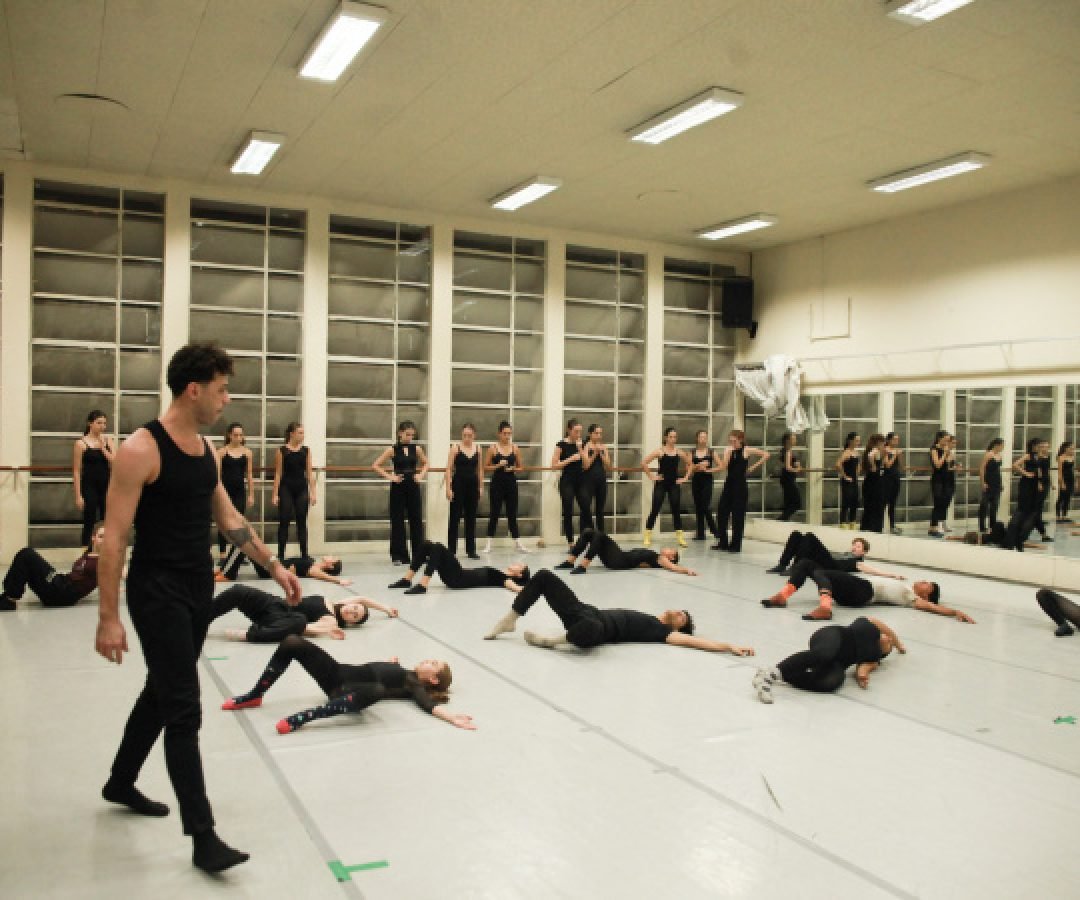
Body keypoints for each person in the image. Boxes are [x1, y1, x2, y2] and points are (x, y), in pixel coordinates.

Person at [95, 342, 303, 874]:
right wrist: (108, 616)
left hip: (195, 587)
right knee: (184, 707)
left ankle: (121, 780)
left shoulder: (206, 451)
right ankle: (203, 835)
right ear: (194, 389)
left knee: (161, 691)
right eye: (221, 389)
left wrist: (274, 566)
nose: (225, 400)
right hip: (155, 590)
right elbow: (114, 539)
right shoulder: (142, 448)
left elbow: (230, 519)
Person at [221, 636, 473, 733]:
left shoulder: (414, 685)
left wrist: (451, 718)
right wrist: (391, 663)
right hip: (336, 674)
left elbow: (427, 704)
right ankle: (255, 695)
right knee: (291, 642)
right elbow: (384, 669)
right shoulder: (403, 670)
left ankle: (304, 718)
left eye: (432, 663)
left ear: (433, 679)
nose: (427, 660)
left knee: (377, 690)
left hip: (349, 693)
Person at [484, 568, 754, 655]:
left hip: (598, 631)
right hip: (585, 612)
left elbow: (693, 641)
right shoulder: (652, 617)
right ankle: (510, 620)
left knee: (593, 629)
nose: (678, 611)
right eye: (682, 611)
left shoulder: (662, 632)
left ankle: (552, 641)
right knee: (543, 576)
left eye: (682, 617)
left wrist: (728, 646)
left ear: (676, 627)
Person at [752, 616, 903, 703]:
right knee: (824, 654)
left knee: (832, 682)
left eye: (889, 645)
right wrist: (898, 644)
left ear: (882, 654)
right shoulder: (870, 626)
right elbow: (888, 630)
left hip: (837, 663)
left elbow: (863, 669)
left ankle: (784, 675)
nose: (888, 639)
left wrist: (862, 676)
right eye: (888, 638)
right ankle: (770, 674)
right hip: (833, 636)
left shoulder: (873, 657)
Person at [762, 566, 974, 623]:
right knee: (808, 564)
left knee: (820, 572)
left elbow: (932, 608)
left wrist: (955, 612)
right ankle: (783, 595)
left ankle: (825, 608)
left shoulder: (913, 598)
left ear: (927, 595)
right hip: (857, 589)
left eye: (928, 585)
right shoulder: (907, 586)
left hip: (863, 591)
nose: (924, 582)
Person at [210, 584, 396, 642]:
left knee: (299, 621)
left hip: (279, 619)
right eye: (354, 608)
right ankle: (201, 617)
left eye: (354, 616)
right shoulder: (335, 603)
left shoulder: (331, 621)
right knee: (238, 591)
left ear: (350, 623)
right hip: (274, 603)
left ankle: (251, 635)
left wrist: (327, 631)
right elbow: (363, 598)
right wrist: (386, 608)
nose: (351, 610)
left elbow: (304, 628)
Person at [1, 523, 104, 610]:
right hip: (61, 583)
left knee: (27, 554)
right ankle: (7, 595)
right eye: (101, 536)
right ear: (93, 537)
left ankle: (10, 598)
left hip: (64, 593)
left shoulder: (105, 561)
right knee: (27, 563)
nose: (104, 540)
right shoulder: (88, 554)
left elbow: (115, 574)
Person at [373, 421, 428, 565]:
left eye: (412, 435)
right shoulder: (392, 450)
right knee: (397, 520)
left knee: (416, 519)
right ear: (400, 433)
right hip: (398, 485)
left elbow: (426, 463)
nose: (410, 437)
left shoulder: (417, 448)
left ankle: (419, 554)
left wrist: (420, 476)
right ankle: (398, 555)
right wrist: (391, 477)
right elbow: (376, 465)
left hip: (413, 485)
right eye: (407, 434)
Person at [388, 540, 530, 595]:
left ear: (518, 575)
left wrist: (535, 587)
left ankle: (423, 585)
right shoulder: (500, 574)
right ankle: (407, 579)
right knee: (426, 545)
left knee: (438, 547)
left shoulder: (504, 579)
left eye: (520, 566)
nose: (517, 563)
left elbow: (516, 588)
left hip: (458, 578)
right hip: (458, 574)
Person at [554, 528, 697, 576]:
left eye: (671, 550)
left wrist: (687, 570)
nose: (668, 548)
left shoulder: (661, 559)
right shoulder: (656, 557)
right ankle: (569, 562)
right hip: (618, 557)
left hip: (619, 561)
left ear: (671, 557)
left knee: (598, 535)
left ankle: (583, 566)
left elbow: (673, 568)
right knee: (588, 532)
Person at [714, 430, 769, 553]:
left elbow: (766, 455)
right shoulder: (729, 450)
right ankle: (723, 542)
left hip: (740, 487)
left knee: (737, 516)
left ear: (740, 440)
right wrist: (727, 454)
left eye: (734, 440)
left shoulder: (746, 450)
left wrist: (753, 467)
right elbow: (724, 467)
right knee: (721, 512)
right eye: (730, 440)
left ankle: (735, 545)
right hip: (729, 485)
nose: (732, 443)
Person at [272, 422, 316, 559]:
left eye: (303, 433)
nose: (302, 435)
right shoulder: (282, 451)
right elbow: (278, 473)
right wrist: (274, 494)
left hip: (301, 487)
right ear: (292, 434)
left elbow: (309, 473)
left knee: (302, 521)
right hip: (286, 488)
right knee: (284, 520)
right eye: (300, 433)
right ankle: (281, 555)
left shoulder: (306, 451)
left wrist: (313, 492)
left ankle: (304, 554)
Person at [484, 421, 528, 554]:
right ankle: (489, 542)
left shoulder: (515, 448)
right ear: (499, 434)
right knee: (494, 512)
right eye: (505, 433)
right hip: (497, 482)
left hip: (511, 482)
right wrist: (497, 465)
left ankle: (517, 542)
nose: (507, 436)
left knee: (512, 513)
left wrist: (514, 468)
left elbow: (521, 467)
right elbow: (485, 467)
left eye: (509, 433)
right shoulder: (493, 448)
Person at [642, 427, 690, 548]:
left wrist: (685, 478)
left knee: (676, 509)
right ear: (666, 437)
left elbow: (690, 464)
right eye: (671, 437)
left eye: (675, 437)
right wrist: (651, 476)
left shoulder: (679, 452)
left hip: (674, 483)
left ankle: (680, 536)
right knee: (655, 509)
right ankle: (647, 534)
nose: (673, 439)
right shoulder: (660, 452)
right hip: (661, 483)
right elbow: (644, 462)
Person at [73, 409, 115, 547]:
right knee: (89, 519)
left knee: (107, 519)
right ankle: (86, 551)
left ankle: (106, 549)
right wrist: (78, 495)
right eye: (99, 423)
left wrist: (103, 448)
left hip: (106, 484)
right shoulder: (81, 443)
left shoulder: (108, 440)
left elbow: (115, 461)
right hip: (89, 485)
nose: (102, 426)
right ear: (90, 424)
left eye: (104, 423)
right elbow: (77, 471)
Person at [216, 423, 254, 561]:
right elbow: (218, 476)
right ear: (229, 435)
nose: (238, 437)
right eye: (235, 435)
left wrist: (251, 495)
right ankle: (222, 553)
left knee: (239, 522)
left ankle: (237, 554)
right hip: (225, 491)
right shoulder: (222, 452)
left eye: (240, 435)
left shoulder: (247, 453)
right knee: (224, 522)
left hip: (239, 491)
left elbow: (249, 475)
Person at [551, 419, 591, 548]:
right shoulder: (561, 445)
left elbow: (586, 464)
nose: (578, 434)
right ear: (569, 430)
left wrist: (580, 450)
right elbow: (554, 465)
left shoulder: (583, 444)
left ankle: (587, 538)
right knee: (568, 510)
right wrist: (570, 459)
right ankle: (570, 542)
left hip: (581, 480)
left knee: (586, 508)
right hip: (567, 481)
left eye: (580, 431)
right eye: (576, 431)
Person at [446, 423, 482, 558]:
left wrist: (480, 486)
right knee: (455, 517)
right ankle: (451, 550)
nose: (467, 438)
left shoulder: (478, 448)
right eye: (464, 435)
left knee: (471, 517)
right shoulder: (455, 448)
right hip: (458, 483)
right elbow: (448, 468)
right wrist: (448, 488)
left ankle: (471, 550)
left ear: (474, 435)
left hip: (472, 484)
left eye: (470, 435)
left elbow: (480, 469)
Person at [215, 549, 349, 584]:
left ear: (330, 566)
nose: (331, 555)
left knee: (243, 544)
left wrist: (338, 580)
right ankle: (224, 571)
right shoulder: (312, 561)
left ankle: (227, 575)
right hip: (273, 563)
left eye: (333, 558)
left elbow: (321, 576)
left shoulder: (315, 569)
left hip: (271, 569)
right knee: (244, 541)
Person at [766, 530, 870, 575]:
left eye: (858, 546)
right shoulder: (847, 553)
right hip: (827, 559)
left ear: (864, 552)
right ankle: (782, 564)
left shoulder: (859, 562)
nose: (854, 547)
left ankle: (796, 568)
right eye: (854, 545)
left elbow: (863, 568)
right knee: (796, 534)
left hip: (832, 565)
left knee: (810, 536)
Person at [1008, 437, 1049, 550]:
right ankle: (1015, 536)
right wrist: (1025, 473)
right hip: (1026, 484)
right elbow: (1015, 465)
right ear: (1033, 446)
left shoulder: (1040, 457)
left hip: (1035, 484)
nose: (1039, 448)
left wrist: (1040, 482)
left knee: (1033, 511)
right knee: (1024, 509)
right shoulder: (1028, 455)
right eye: (1038, 446)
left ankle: (1021, 537)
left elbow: (1040, 471)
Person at [689, 430, 720, 541]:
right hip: (696, 480)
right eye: (701, 437)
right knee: (698, 507)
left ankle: (714, 530)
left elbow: (721, 466)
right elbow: (689, 468)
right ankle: (700, 534)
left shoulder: (711, 452)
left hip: (707, 479)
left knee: (705, 506)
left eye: (705, 437)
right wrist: (698, 465)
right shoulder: (692, 452)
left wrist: (709, 469)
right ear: (697, 439)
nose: (703, 439)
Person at [582, 424, 611, 534]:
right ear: (590, 434)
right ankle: (587, 534)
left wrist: (602, 454)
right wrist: (595, 453)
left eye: (600, 433)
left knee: (600, 510)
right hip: (588, 480)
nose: (599, 436)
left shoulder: (603, 447)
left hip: (601, 480)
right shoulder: (586, 446)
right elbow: (586, 465)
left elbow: (608, 465)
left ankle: (601, 536)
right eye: (596, 433)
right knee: (586, 508)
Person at [928, 430, 954, 537]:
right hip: (937, 479)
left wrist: (949, 456)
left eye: (949, 440)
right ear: (940, 438)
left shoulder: (946, 449)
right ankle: (932, 527)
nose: (947, 442)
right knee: (938, 503)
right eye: (946, 440)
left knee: (944, 502)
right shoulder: (934, 449)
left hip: (946, 478)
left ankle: (940, 525)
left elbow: (947, 465)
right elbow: (938, 464)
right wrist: (944, 453)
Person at [860, 433, 886, 533]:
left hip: (870, 481)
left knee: (869, 506)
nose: (884, 444)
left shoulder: (869, 450)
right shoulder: (875, 450)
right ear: (878, 442)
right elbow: (871, 456)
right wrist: (874, 465)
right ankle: (875, 528)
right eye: (882, 442)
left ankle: (867, 527)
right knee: (877, 506)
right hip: (875, 482)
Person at [978, 438, 1005, 534]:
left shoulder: (999, 455)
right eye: (1002, 445)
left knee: (994, 505)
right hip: (988, 481)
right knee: (984, 504)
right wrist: (983, 482)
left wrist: (1001, 483)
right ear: (997, 445)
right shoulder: (989, 454)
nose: (1003, 447)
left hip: (996, 482)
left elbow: (998, 470)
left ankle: (992, 526)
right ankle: (982, 526)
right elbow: (982, 469)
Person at [836, 432, 861, 529]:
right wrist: (845, 476)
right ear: (850, 441)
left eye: (859, 441)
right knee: (846, 501)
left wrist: (857, 472)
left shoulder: (856, 453)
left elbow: (858, 465)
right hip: (847, 480)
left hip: (854, 479)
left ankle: (852, 521)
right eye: (856, 440)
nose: (858, 442)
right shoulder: (846, 452)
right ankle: (843, 522)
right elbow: (838, 464)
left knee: (855, 501)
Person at [882, 432, 904, 535]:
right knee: (885, 502)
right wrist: (895, 454)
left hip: (896, 477)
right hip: (887, 478)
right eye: (894, 439)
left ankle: (892, 525)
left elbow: (900, 465)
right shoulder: (885, 450)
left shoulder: (896, 451)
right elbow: (887, 465)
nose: (897, 441)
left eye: (897, 439)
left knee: (893, 503)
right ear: (889, 440)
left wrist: (899, 455)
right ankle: (881, 524)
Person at [778, 431, 802, 522]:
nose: (795, 440)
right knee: (797, 502)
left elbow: (791, 463)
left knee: (788, 502)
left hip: (787, 478)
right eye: (793, 438)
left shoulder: (787, 451)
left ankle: (784, 519)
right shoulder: (788, 451)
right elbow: (787, 467)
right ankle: (781, 520)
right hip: (788, 478)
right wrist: (796, 469)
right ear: (788, 440)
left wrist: (797, 465)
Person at [1056, 440, 1075, 524]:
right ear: (1066, 448)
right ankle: (1058, 516)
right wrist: (1061, 482)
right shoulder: (1061, 457)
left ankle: (1064, 515)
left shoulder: (1072, 457)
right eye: (1070, 448)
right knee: (1061, 498)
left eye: (1073, 449)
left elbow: (1072, 470)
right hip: (1064, 478)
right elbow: (1060, 472)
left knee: (1068, 498)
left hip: (1071, 478)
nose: (1072, 450)